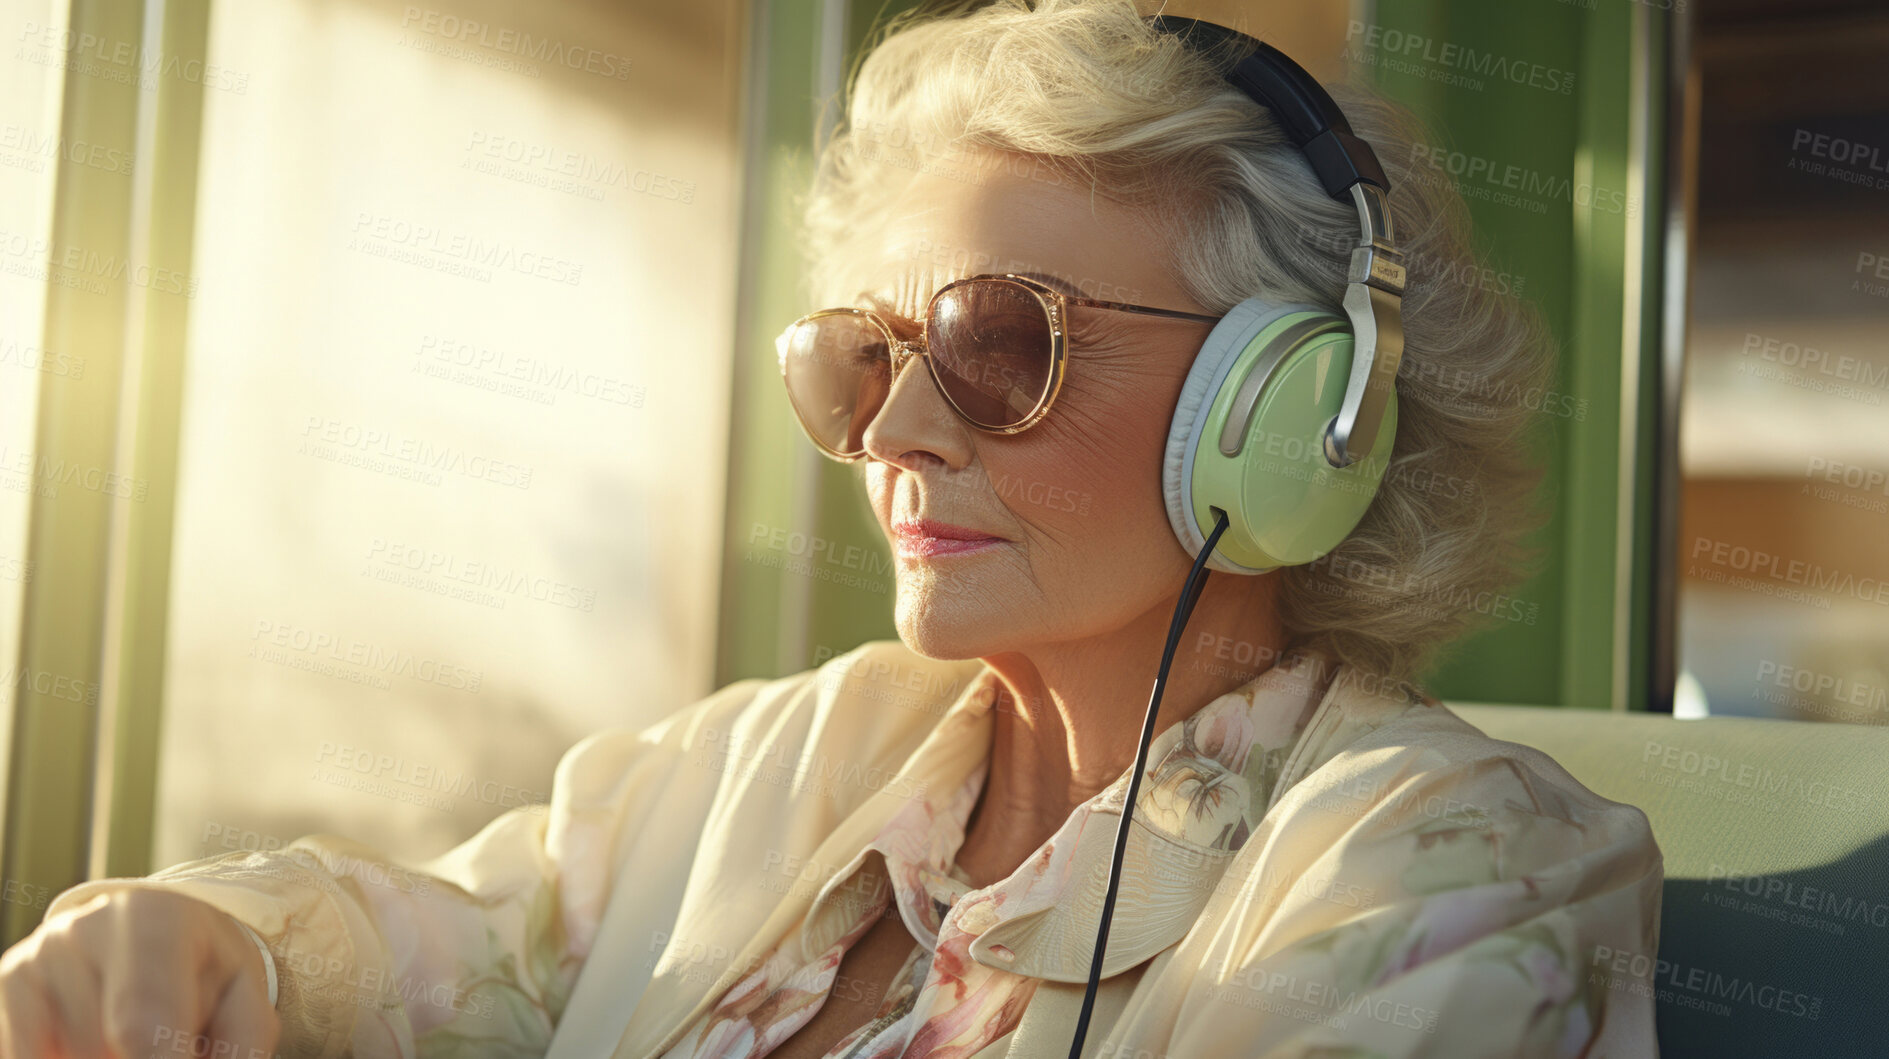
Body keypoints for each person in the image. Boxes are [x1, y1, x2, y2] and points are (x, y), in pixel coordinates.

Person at [0, 1, 1662, 1056]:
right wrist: (202, 944)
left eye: (1005, 343)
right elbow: (421, 949)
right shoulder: (767, 762)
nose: (896, 426)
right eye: (863, 354)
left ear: (1301, 413)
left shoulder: (1455, 866)